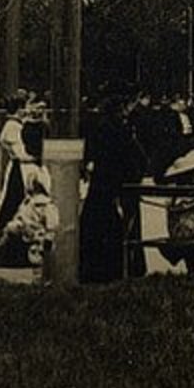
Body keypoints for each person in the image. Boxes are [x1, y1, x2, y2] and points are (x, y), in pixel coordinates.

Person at [80, 96, 151, 283]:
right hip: (121, 187)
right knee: (123, 230)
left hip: (100, 187)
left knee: (95, 229)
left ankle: (92, 271)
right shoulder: (123, 131)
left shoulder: (96, 127)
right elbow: (139, 160)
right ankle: (125, 270)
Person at [0, 96, 43, 269]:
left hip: (22, 169)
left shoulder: (17, 125)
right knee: (14, 207)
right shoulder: (12, 126)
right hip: (20, 170)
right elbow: (21, 152)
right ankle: (9, 254)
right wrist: (36, 157)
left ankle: (20, 252)